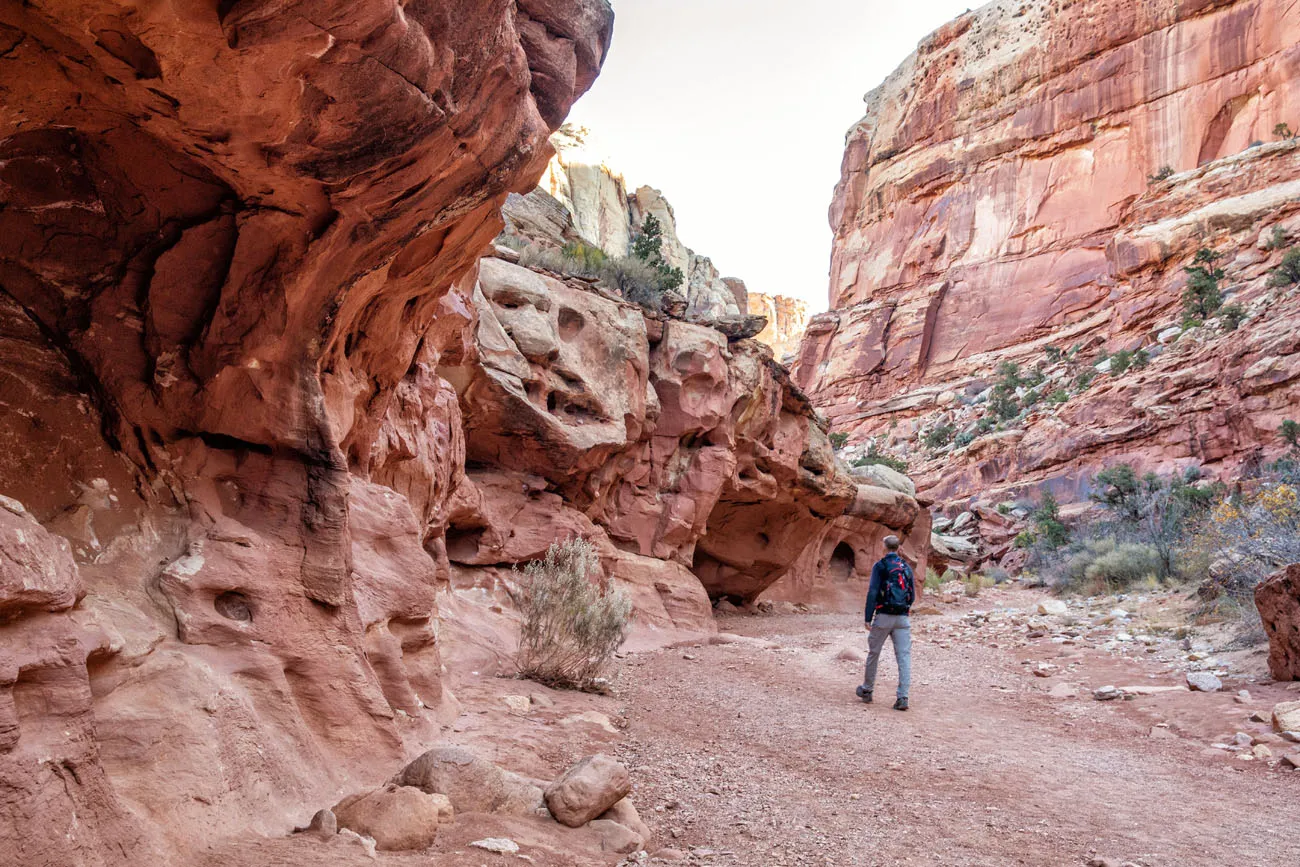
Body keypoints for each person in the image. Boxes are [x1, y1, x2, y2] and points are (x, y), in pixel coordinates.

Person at [856, 535, 915, 711]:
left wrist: (868, 616)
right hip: (902, 618)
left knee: (874, 653)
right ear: (898, 548)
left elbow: (873, 591)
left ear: (884, 547)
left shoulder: (880, 566)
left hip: (883, 616)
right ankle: (903, 697)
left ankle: (867, 690)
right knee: (903, 657)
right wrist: (904, 610)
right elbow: (911, 594)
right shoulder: (906, 567)